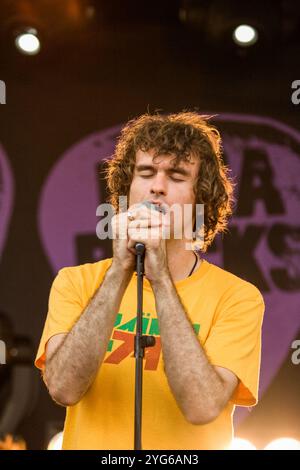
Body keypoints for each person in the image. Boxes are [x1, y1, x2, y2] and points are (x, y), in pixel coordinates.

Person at [35, 112, 265, 450]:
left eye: (176, 175)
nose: (157, 185)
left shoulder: (238, 297)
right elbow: (64, 388)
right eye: (146, 172)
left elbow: (202, 407)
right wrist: (119, 271)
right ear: (127, 189)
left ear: (201, 199)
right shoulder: (76, 282)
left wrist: (159, 280)